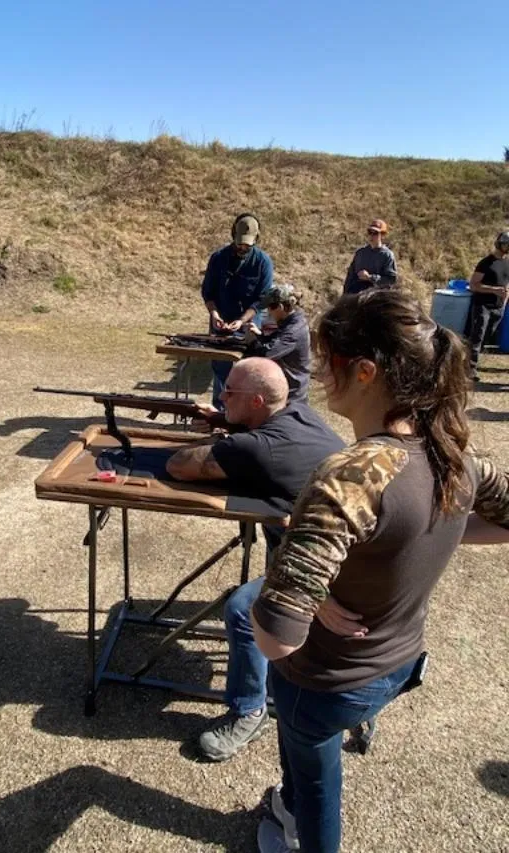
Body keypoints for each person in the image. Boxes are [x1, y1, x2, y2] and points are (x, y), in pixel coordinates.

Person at [250, 289, 509, 853]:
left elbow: (273, 639)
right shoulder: (458, 457)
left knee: (316, 782)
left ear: (364, 371)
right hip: (400, 661)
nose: (319, 373)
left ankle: (302, 831)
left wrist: (287, 578)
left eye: (328, 360)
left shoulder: (348, 476)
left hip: (325, 682)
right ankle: (288, 807)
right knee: (303, 769)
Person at [165, 358, 347, 762]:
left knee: (245, 610)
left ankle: (250, 709)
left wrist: (215, 437)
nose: (221, 396)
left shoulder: (254, 448)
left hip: (332, 572)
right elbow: (263, 434)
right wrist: (227, 421)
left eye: (231, 393)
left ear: (259, 400)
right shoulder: (300, 412)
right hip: (352, 554)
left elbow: (177, 465)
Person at [201, 214, 273, 407]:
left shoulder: (263, 262)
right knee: (221, 369)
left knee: (249, 370)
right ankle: (219, 412)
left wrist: (242, 321)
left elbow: (262, 299)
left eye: (247, 245)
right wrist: (215, 315)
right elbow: (208, 293)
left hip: (249, 322)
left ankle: (245, 413)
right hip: (221, 320)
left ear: (256, 240)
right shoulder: (218, 258)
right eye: (240, 243)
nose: (242, 248)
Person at [243, 284, 311, 403]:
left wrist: (252, 341)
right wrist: (259, 336)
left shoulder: (293, 330)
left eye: (269, 309)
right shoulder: (291, 323)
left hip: (292, 395)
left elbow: (267, 354)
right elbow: (274, 342)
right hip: (286, 388)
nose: (269, 313)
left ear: (279, 307)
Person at [466, 231, 509, 381]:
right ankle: (470, 369)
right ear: (499, 244)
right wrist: (493, 290)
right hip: (483, 305)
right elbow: (473, 285)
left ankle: (469, 362)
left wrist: (503, 303)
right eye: (506, 244)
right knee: (477, 336)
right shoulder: (486, 263)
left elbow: (506, 284)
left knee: (486, 337)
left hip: (498, 307)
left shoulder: (507, 263)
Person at [343, 219, 397, 294]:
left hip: (377, 295)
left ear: (382, 235)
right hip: (356, 295)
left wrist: (370, 277)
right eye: (370, 232)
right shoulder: (360, 253)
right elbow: (350, 277)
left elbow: (390, 280)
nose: (371, 236)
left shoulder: (387, 255)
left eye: (375, 233)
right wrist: (345, 295)